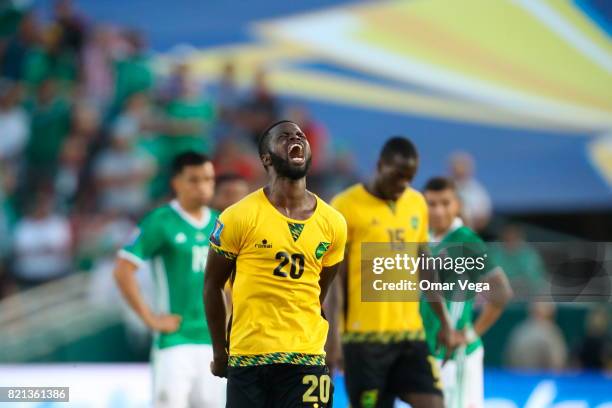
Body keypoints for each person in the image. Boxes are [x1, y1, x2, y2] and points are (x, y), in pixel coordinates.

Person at [204, 120, 347, 407]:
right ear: (266, 158)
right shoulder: (238, 217)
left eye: (300, 136)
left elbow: (322, 290)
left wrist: (330, 342)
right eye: (284, 137)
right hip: (249, 359)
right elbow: (212, 285)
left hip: (306, 358)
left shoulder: (333, 223)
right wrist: (221, 353)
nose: (295, 139)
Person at [330, 137, 455, 408]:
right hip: (364, 341)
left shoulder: (416, 203)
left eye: (409, 178)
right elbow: (334, 280)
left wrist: (444, 322)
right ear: (380, 165)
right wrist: (334, 336)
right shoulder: (344, 206)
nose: (402, 185)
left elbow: (425, 264)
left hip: (410, 335)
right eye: (397, 175)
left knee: (435, 403)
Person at [113, 151, 225, 407]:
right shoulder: (160, 221)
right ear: (176, 183)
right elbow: (122, 269)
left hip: (215, 342)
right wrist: (149, 317)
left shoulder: (222, 223)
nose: (203, 186)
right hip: (176, 341)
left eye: (208, 179)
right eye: (194, 180)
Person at [420, 177, 513, 408]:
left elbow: (502, 291)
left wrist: (471, 334)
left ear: (457, 204)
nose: (439, 210)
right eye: (432, 203)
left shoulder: (466, 240)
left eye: (445, 203)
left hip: (455, 355)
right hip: (428, 350)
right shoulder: (424, 237)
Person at [448, 152, 491, 232]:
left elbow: (484, 217)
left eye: (463, 165)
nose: (460, 169)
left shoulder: (477, 192)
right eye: (457, 165)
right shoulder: (443, 188)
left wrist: (468, 227)